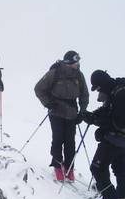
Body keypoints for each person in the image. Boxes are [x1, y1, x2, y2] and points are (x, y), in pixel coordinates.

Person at [82, 70, 125, 199]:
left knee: (97, 167)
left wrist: (98, 124)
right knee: (122, 168)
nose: (98, 91)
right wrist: (92, 116)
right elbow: (108, 111)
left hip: (116, 139)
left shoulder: (120, 94)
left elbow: (117, 120)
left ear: (102, 83)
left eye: (98, 88)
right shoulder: (118, 91)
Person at [34, 51, 89, 181]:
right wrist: (48, 103)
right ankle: (58, 165)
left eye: (78, 62)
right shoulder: (55, 72)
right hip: (56, 111)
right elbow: (38, 89)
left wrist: (82, 111)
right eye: (76, 62)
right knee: (58, 138)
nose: (78, 64)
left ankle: (69, 167)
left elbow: (84, 94)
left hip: (72, 113)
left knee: (70, 141)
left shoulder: (79, 75)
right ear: (69, 63)